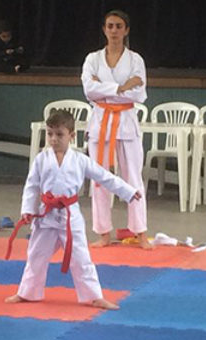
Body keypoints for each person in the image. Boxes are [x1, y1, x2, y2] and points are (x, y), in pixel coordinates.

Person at [4, 110, 140, 310]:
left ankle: (93, 296)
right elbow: (31, 186)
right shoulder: (41, 159)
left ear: (72, 136)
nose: (53, 139)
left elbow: (104, 176)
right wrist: (28, 210)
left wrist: (128, 191)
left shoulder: (80, 160)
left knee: (81, 258)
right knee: (36, 256)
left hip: (70, 216)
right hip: (46, 215)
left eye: (59, 134)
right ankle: (27, 292)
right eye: (50, 134)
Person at [81, 10, 152, 250]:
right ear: (104, 29)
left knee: (133, 178)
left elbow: (139, 93)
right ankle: (103, 233)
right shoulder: (92, 59)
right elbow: (89, 90)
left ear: (126, 30)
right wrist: (121, 87)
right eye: (110, 26)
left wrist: (104, 88)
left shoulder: (135, 60)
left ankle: (140, 232)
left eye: (119, 26)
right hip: (100, 123)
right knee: (99, 180)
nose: (114, 30)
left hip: (126, 122)